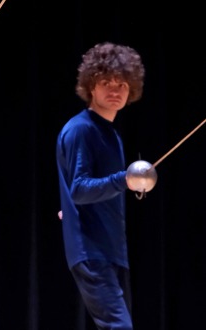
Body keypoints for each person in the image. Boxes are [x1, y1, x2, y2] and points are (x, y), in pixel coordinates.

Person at [56, 42, 146, 330]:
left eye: (122, 84)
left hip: (111, 249)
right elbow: (79, 189)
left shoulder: (110, 133)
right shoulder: (81, 129)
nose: (115, 90)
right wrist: (123, 180)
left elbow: (80, 192)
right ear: (90, 86)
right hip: (90, 249)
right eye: (106, 82)